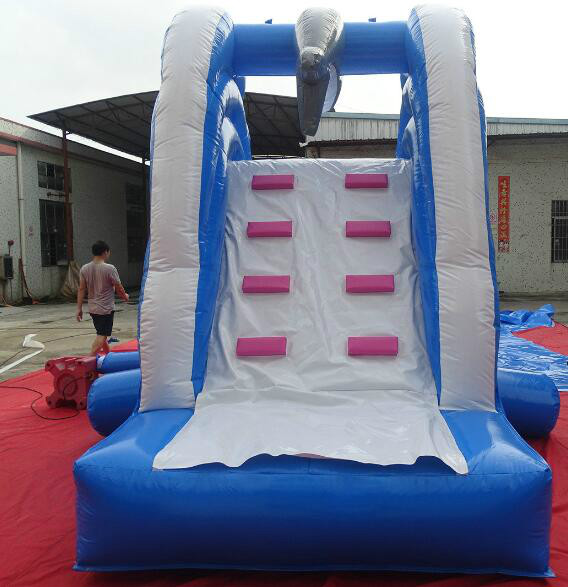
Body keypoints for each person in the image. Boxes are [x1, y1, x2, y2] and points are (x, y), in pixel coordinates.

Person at [76, 240, 129, 356]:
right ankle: (88, 359)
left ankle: (108, 356)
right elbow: (118, 287)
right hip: (106, 309)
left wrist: (79, 308)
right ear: (105, 252)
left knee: (101, 333)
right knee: (102, 335)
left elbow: (81, 289)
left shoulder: (84, 268)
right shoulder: (110, 268)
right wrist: (125, 296)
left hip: (93, 308)